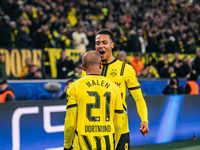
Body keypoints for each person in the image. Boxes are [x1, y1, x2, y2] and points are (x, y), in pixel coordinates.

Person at [83, 29, 149, 149]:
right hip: (96, 131)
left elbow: (139, 98)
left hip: (120, 129)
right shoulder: (88, 70)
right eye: (97, 43)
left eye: (104, 42)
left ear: (112, 45)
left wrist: (144, 120)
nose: (100, 46)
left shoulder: (126, 69)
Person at [64, 51, 124, 150]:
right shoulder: (114, 88)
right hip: (107, 144)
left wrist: (67, 145)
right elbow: (119, 123)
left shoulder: (74, 87)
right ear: (101, 64)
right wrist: (114, 144)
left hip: (82, 144)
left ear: (83, 67)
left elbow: (70, 123)